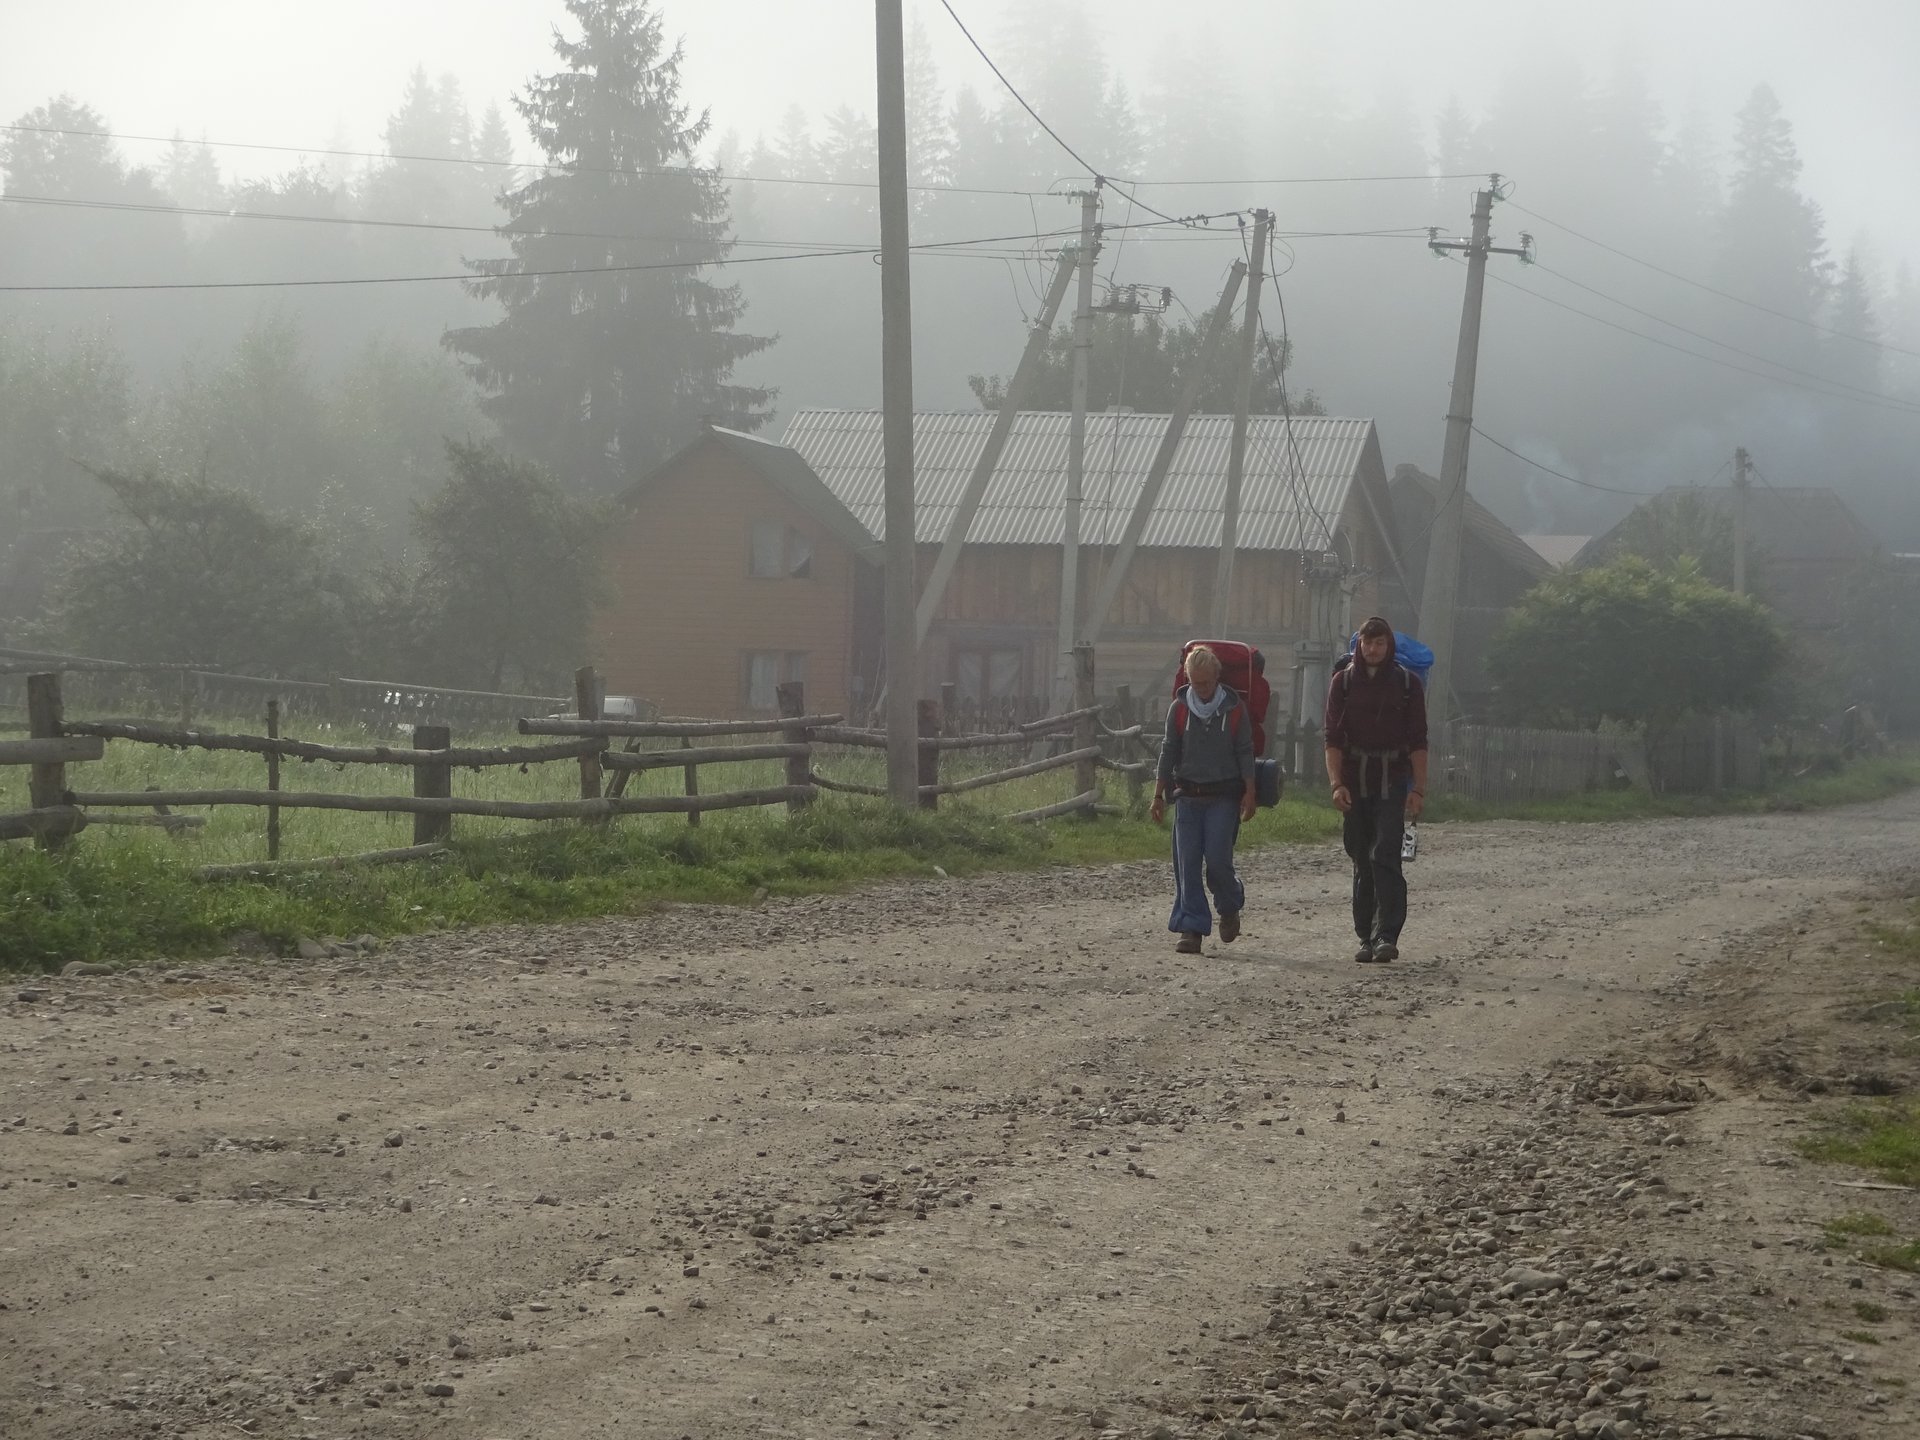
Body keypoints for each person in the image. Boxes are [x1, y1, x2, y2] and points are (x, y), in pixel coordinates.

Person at [1323, 616, 1428, 963]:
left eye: (1379, 643)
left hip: (1391, 781)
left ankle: (1386, 935)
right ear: (1360, 645)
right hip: (1353, 781)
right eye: (1368, 643)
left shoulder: (1408, 684)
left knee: (1385, 853)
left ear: (1388, 646)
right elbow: (1332, 739)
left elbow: (1418, 741)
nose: (1372, 649)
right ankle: (1365, 937)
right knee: (1360, 856)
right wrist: (1336, 784)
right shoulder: (1343, 683)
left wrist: (1418, 789)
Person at [1152, 645, 1257, 955]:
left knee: (1218, 860)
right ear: (1188, 679)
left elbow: (1245, 751)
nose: (1201, 688)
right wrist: (1158, 795)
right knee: (1186, 863)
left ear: (1217, 677)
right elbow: (1168, 751)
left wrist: (1250, 792)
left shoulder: (1234, 709)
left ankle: (1229, 904)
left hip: (1223, 798)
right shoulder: (1179, 709)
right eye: (1195, 683)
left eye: (1207, 682)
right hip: (1187, 796)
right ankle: (1191, 927)